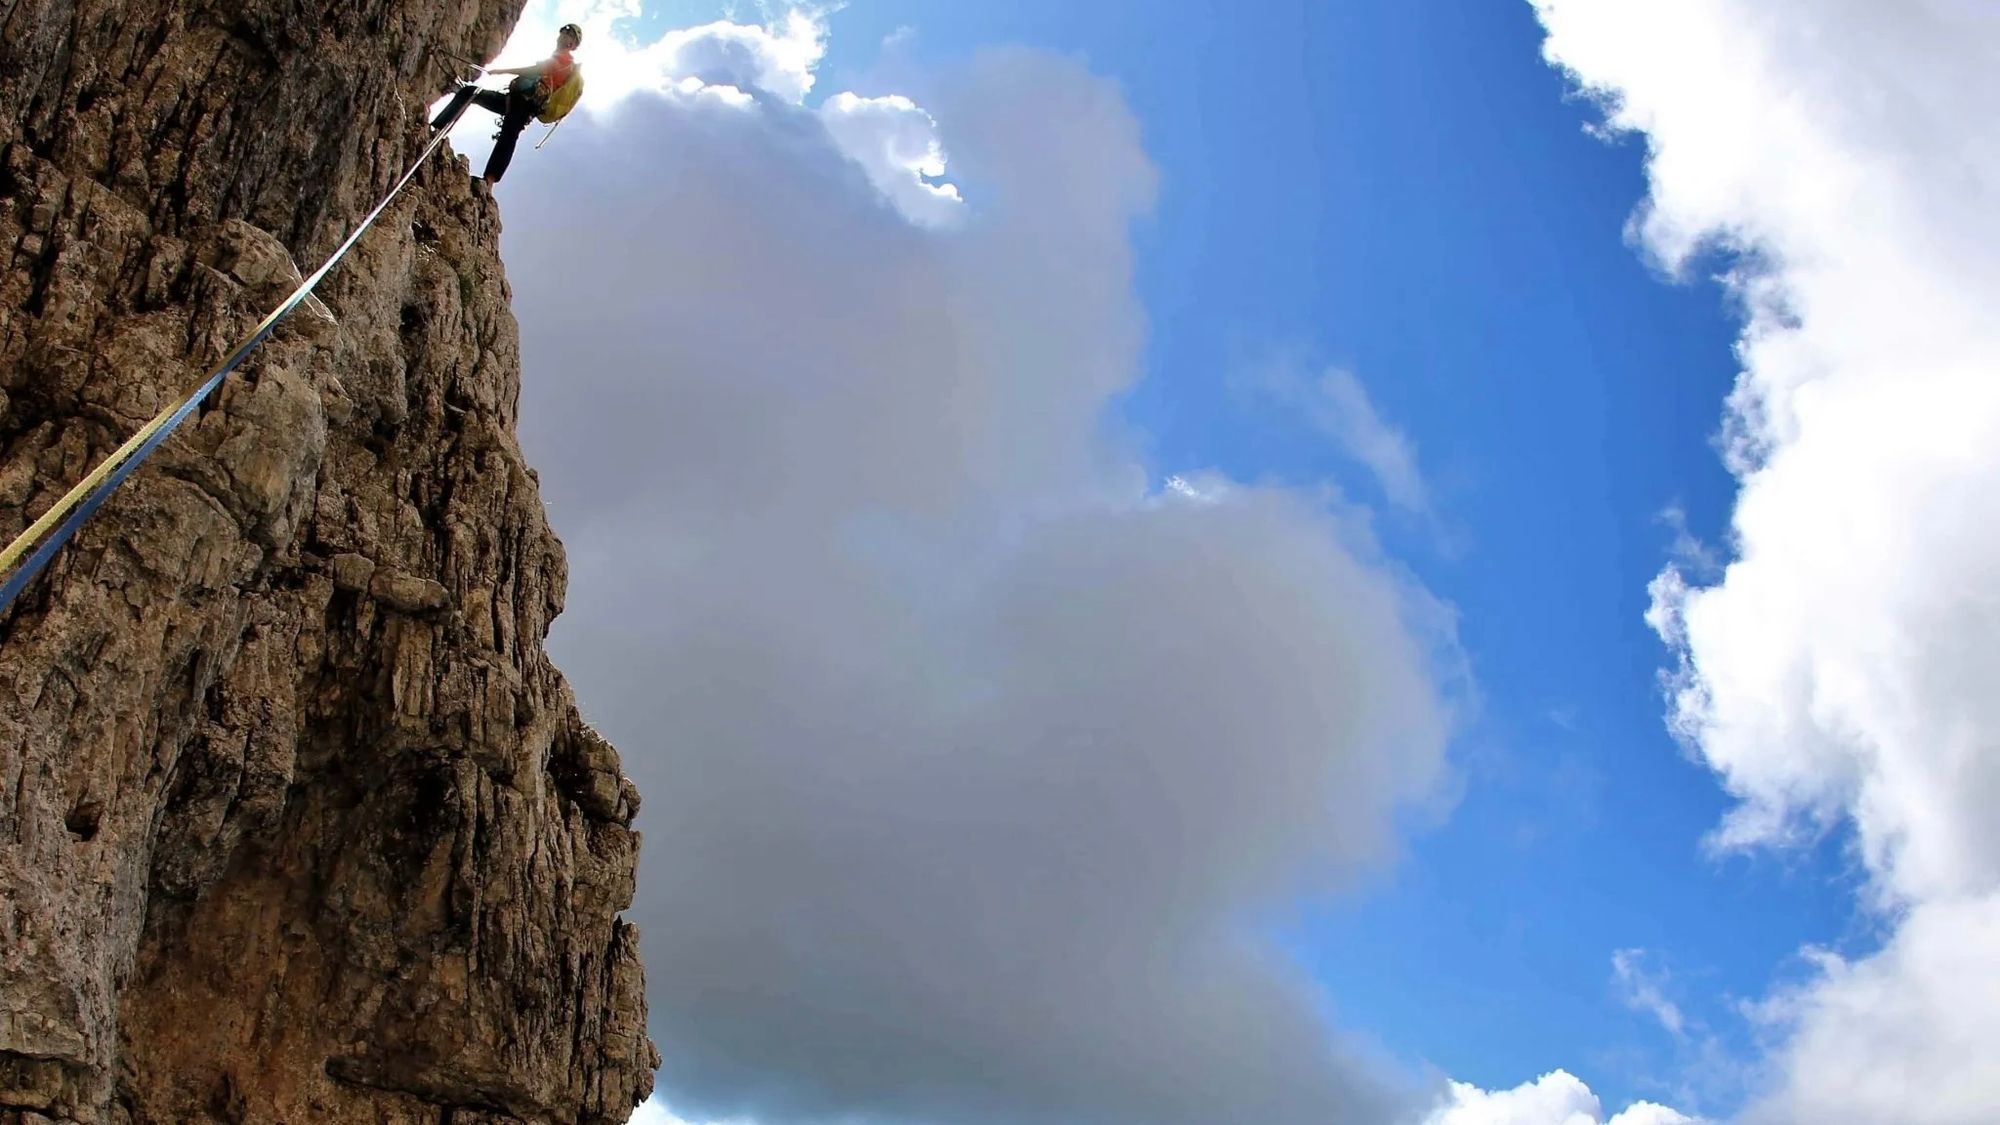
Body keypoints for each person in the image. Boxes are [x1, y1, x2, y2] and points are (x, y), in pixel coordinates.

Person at [430, 23, 583, 184]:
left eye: (568, 34)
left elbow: (536, 70)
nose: (562, 35)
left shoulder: (564, 59)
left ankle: (489, 179)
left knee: (508, 133)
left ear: (572, 44)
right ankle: (437, 129)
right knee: (470, 94)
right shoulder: (560, 57)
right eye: (563, 32)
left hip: (525, 104)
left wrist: (501, 71)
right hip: (516, 101)